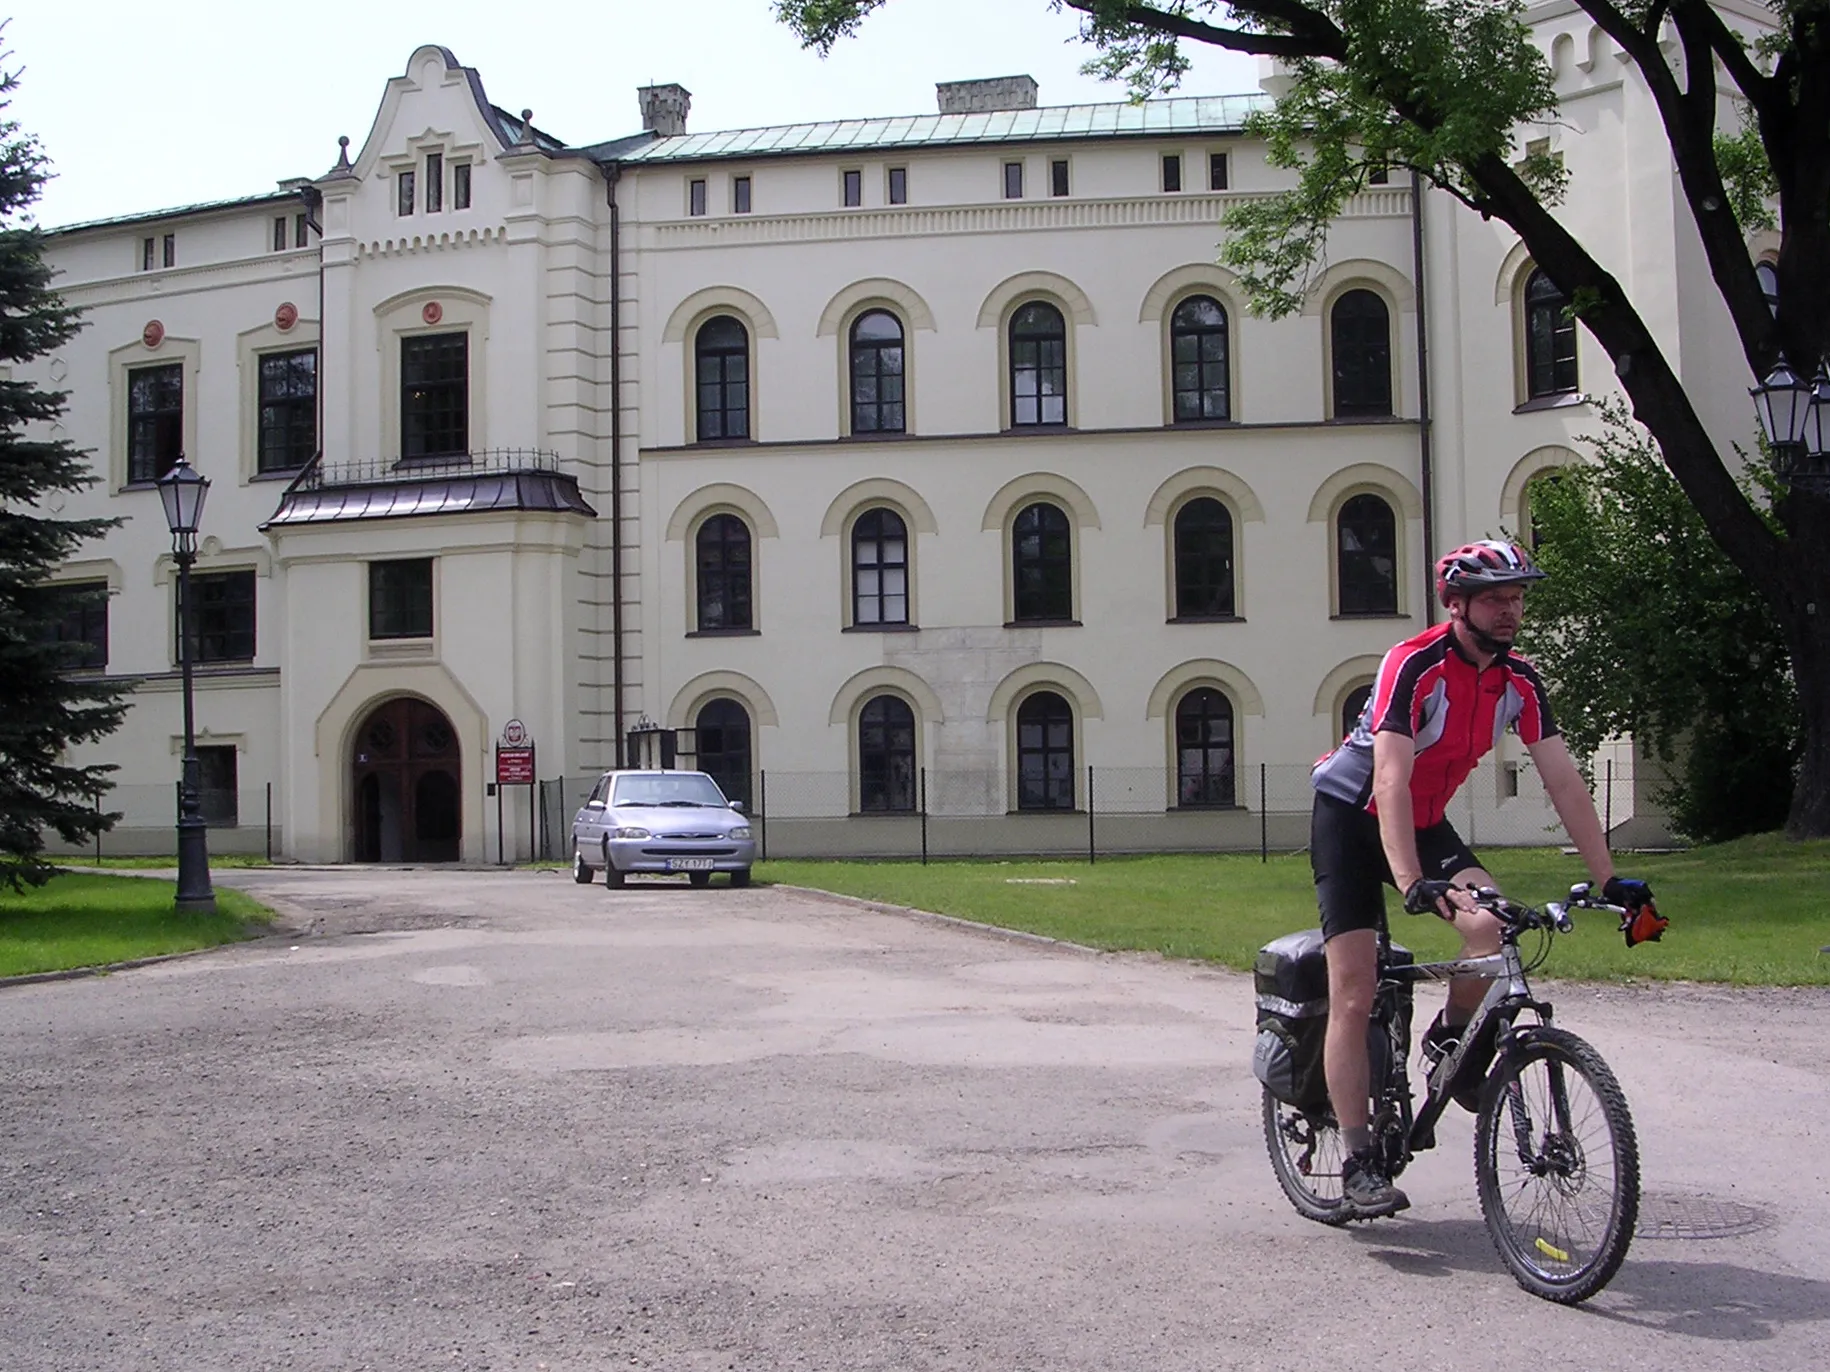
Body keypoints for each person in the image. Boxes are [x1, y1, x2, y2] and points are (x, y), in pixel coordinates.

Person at [1308, 539, 1653, 1217]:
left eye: (1518, 598)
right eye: (1497, 598)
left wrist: (1610, 879)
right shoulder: (1414, 665)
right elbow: (1389, 779)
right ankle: (1357, 1160)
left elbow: (1562, 780)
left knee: (1491, 926)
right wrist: (1411, 881)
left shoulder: (1519, 680)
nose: (1511, 611)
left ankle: (1449, 1039)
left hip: (1425, 820)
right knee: (1354, 990)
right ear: (1457, 603)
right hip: (1353, 817)